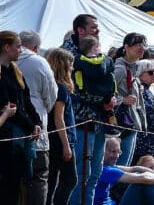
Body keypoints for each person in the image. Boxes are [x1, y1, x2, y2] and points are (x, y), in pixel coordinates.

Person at [62, 14, 117, 205]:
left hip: (100, 121)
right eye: (93, 27)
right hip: (78, 122)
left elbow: (109, 74)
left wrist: (110, 98)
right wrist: (101, 100)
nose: (97, 31)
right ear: (80, 30)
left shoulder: (99, 54)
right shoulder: (66, 55)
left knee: (95, 173)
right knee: (80, 174)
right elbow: (70, 89)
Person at [0, 30, 43, 204]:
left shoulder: (15, 71)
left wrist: (36, 123)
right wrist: (29, 125)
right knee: (6, 187)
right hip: (7, 139)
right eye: (18, 47)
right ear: (6, 47)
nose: (21, 50)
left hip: (21, 135)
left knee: (17, 186)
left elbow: (26, 101)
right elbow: (9, 106)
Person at [17, 30, 58, 205]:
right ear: (36, 47)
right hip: (35, 126)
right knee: (38, 176)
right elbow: (51, 95)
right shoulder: (39, 62)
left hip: (11, 126)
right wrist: (43, 111)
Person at [95, 137, 154, 205]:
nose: (117, 156)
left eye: (118, 152)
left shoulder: (107, 166)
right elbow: (143, 178)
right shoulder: (103, 170)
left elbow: (135, 168)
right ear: (101, 150)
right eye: (113, 151)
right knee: (142, 182)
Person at [46, 48, 79, 205]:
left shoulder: (53, 86)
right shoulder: (61, 88)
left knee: (52, 179)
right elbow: (59, 118)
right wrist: (66, 145)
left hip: (52, 139)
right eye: (71, 65)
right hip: (60, 140)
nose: (72, 69)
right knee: (70, 179)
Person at [113, 32, 149, 166]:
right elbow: (105, 93)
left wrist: (143, 124)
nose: (141, 48)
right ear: (126, 47)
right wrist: (122, 99)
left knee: (125, 167)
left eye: (143, 45)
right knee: (120, 167)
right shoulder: (120, 69)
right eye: (137, 44)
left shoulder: (135, 69)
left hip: (132, 124)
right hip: (122, 124)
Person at [74, 35, 118, 130]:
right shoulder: (108, 62)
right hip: (104, 114)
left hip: (84, 115)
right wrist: (111, 98)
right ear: (95, 47)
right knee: (101, 143)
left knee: (84, 144)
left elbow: (78, 88)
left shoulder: (78, 62)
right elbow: (113, 81)